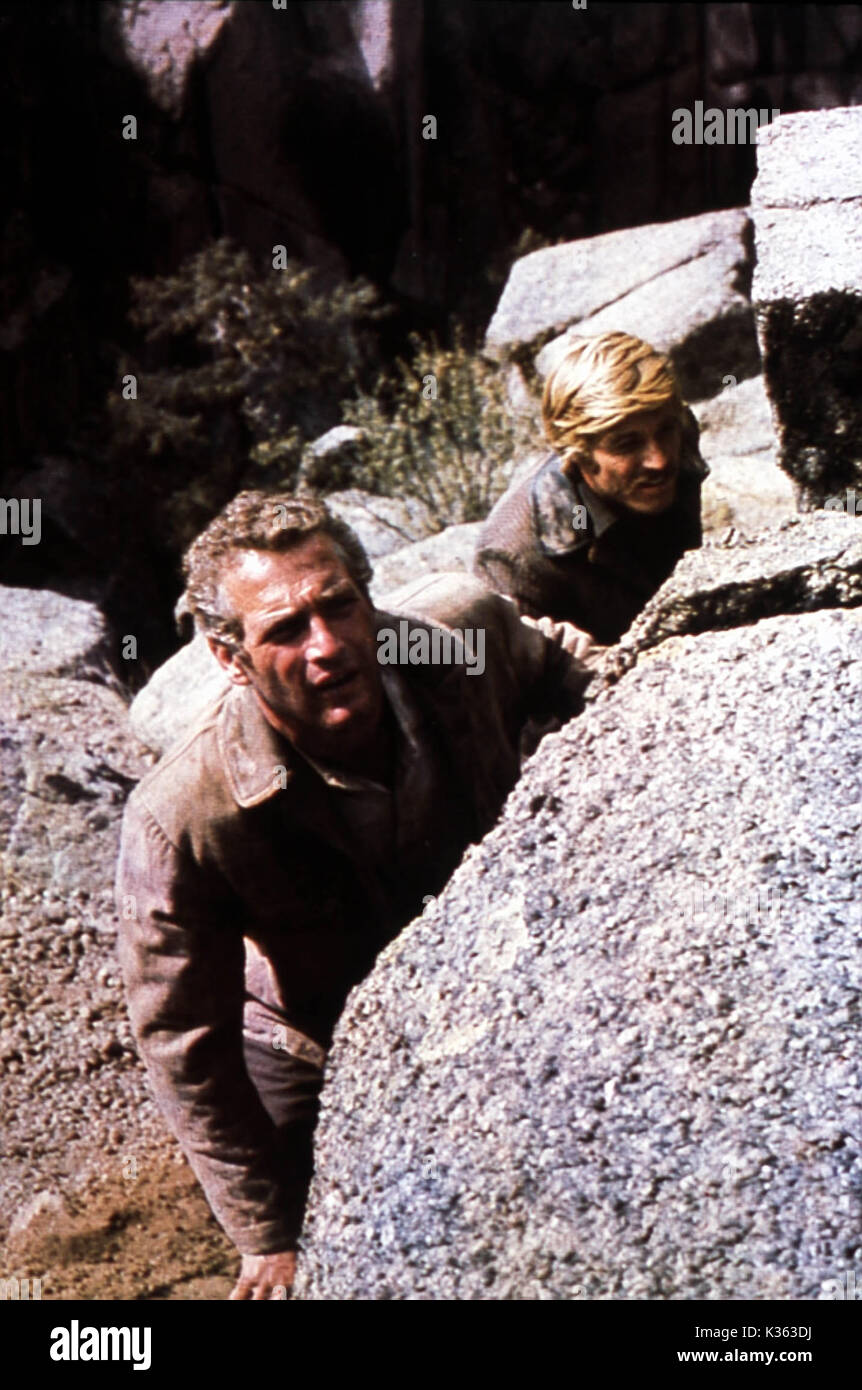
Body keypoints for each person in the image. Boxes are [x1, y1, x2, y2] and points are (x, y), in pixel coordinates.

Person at [115, 492, 592, 1300]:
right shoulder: (182, 812)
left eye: (339, 607)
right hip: (310, 1043)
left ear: (369, 600)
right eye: (285, 630)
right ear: (230, 657)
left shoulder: (459, 635)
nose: (327, 645)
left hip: (486, 976)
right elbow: (183, 1039)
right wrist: (264, 1234)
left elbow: (560, 661)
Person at [474, 331, 709, 644]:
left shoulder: (680, 435)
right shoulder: (514, 558)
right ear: (577, 454)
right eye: (627, 445)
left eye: (666, 430)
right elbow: (526, 675)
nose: (660, 461)